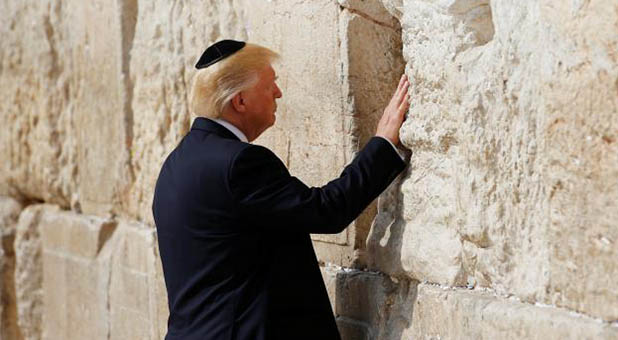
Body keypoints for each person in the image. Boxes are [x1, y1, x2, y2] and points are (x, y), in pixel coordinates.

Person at [152, 39, 410, 340]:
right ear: (240, 101)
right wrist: (382, 144)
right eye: (269, 85)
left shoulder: (175, 164)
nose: (278, 93)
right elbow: (326, 211)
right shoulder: (239, 163)